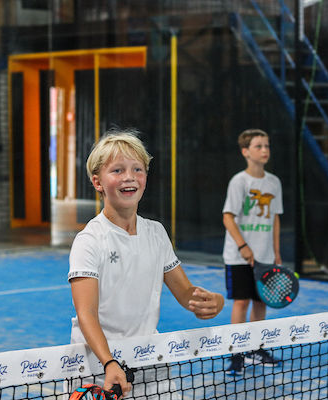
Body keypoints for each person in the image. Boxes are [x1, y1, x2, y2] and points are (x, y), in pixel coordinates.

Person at [68, 129, 224, 398]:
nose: (129, 177)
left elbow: (186, 294)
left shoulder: (156, 233)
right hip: (98, 364)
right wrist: (109, 362)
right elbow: (87, 314)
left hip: (149, 359)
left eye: (137, 169)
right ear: (97, 182)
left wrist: (211, 302)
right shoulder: (89, 241)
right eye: (117, 170)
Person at [222, 128, 283, 375]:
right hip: (238, 257)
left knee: (260, 302)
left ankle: (256, 349)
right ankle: (237, 353)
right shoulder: (239, 181)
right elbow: (228, 217)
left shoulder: (274, 182)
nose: (265, 150)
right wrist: (243, 247)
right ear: (245, 151)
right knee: (241, 302)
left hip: (266, 256)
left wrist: (276, 253)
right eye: (259, 146)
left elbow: (276, 220)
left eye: (267, 146)